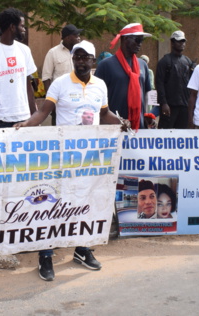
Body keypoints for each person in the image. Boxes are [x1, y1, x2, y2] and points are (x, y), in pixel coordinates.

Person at [15, 40, 129, 281]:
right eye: (76, 56)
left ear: (93, 61)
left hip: (91, 158)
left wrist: (122, 123)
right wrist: (25, 124)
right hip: (63, 157)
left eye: (84, 57)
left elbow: (104, 113)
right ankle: (46, 254)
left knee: (85, 202)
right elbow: (43, 112)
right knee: (55, 204)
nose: (80, 60)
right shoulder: (60, 84)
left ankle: (82, 250)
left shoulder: (100, 85)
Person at [0, 8, 37, 129]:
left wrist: (34, 117)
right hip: (0, 119)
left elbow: (28, 87)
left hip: (24, 117)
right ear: (12, 27)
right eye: (22, 26)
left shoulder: (24, 50)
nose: (24, 29)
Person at [95, 23, 152, 130]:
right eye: (137, 40)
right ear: (125, 39)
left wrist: (146, 115)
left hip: (138, 127)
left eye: (142, 40)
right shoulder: (106, 65)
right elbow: (96, 96)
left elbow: (145, 93)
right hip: (114, 127)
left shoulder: (142, 65)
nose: (140, 44)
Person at [42, 24, 82, 125]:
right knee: (59, 133)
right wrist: (52, 103)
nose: (79, 38)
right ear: (68, 37)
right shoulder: (53, 53)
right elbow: (46, 78)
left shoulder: (80, 53)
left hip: (79, 101)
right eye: (76, 35)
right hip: (60, 102)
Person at [155, 30, 194, 129]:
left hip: (184, 107)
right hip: (170, 106)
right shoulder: (164, 62)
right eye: (179, 41)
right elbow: (159, 83)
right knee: (165, 134)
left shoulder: (188, 61)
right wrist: (164, 103)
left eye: (183, 41)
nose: (182, 44)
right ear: (172, 43)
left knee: (182, 134)